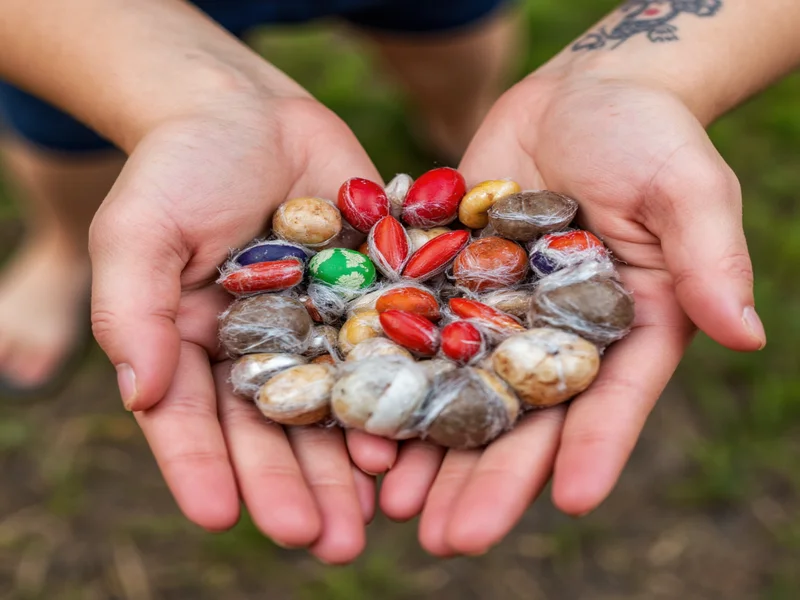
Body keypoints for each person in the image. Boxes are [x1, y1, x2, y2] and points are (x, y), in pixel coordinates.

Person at [0, 0, 791, 563]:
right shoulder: (358, 296)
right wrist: (188, 105)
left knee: (451, 43)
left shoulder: (457, 292)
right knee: (72, 148)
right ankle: (67, 244)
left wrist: (639, 78)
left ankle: (463, 120)